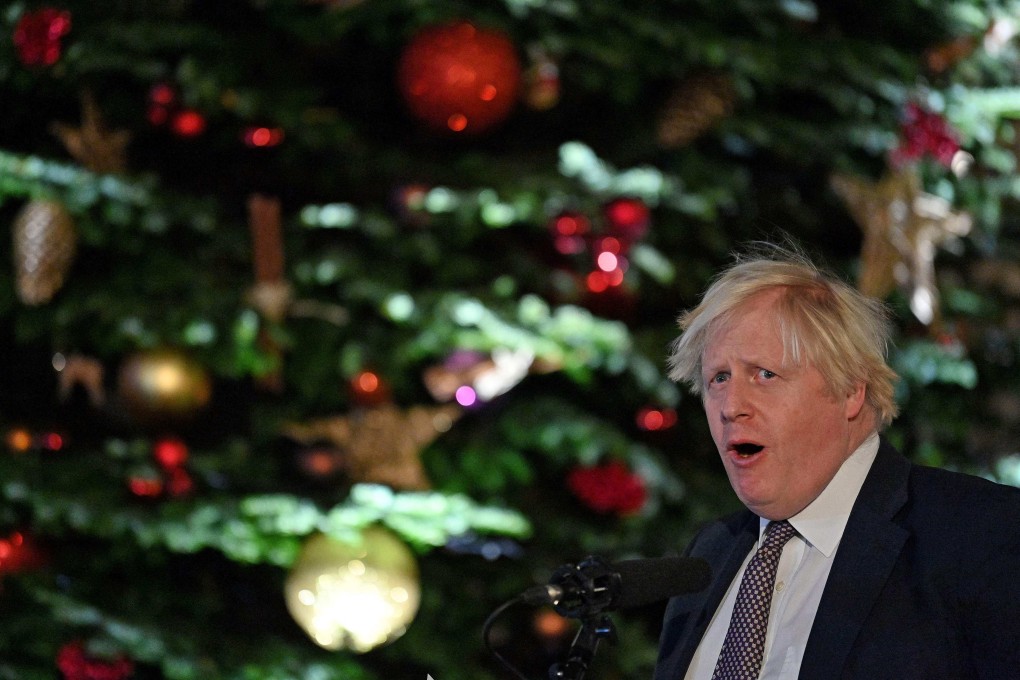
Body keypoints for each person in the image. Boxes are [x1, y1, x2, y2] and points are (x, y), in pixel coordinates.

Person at [652, 243, 1020, 680]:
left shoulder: (982, 533)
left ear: (850, 391)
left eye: (765, 374)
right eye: (718, 378)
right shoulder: (710, 552)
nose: (731, 406)